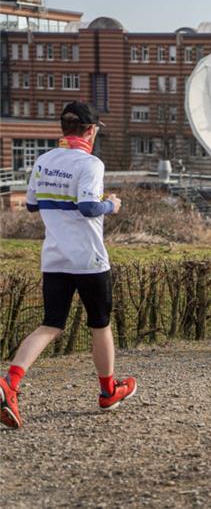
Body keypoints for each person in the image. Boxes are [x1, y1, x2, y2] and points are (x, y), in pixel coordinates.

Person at [0, 102, 136, 429]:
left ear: (63, 129)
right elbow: (89, 207)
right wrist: (111, 205)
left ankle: (9, 383)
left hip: (55, 256)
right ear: (91, 130)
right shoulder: (91, 163)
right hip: (89, 259)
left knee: (50, 324)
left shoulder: (44, 160)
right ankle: (108, 392)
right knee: (100, 324)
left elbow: (31, 205)